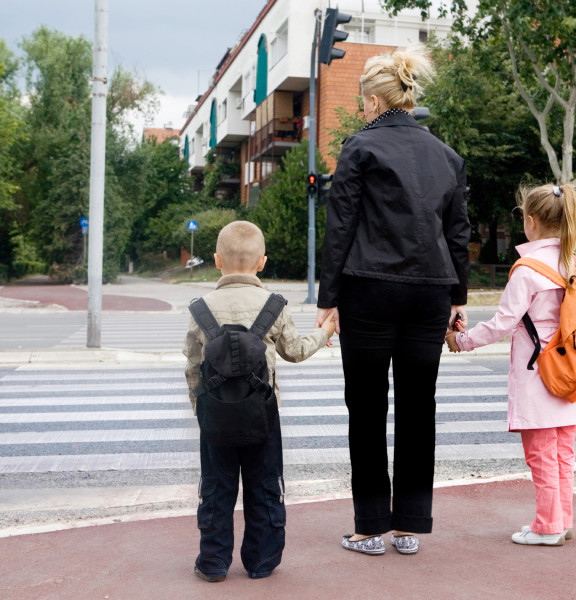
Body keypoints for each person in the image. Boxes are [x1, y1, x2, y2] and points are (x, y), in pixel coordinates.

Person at [315, 46, 470, 556]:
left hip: (369, 289)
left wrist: (328, 298)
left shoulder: (359, 148)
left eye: (363, 101)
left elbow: (341, 228)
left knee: (365, 407)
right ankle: (408, 526)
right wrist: (458, 297)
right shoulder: (447, 157)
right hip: (430, 294)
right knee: (417, 407)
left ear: (377, 100)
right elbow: (457, 234)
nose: (362, 110)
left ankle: (369, 528)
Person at [184, 221, 335, 581]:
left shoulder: (200, 308)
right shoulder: (274, 305)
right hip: (263, 417)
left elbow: (192, 366)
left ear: (217, 260)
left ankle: (214, 562)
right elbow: (295, 351)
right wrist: (326, 331)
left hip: (216, 421)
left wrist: (201, 412)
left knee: (217, 488)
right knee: (264, 485)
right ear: (262, 262)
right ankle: (261, 561)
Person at [446, 183, 576, 547]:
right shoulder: (574, 262)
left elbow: (503, 323)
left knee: (540, 453)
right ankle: (562, 520)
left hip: (538, 372)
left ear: (531, 221)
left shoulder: (527, 270)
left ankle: (546, 526)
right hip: (570, 370)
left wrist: (461, 340)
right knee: (563, 453)